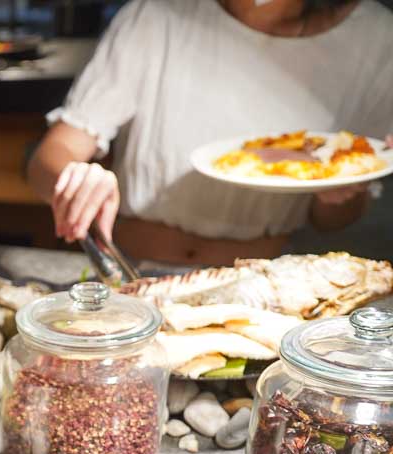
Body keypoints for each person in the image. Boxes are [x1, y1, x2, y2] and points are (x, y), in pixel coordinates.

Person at [26, 0, 393, 264]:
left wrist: (339, 194)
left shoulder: (375, 36)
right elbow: (52, 155)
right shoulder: (156, 15)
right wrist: (75, 180)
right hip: (132, 269)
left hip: (259, 286)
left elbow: (335, 221)